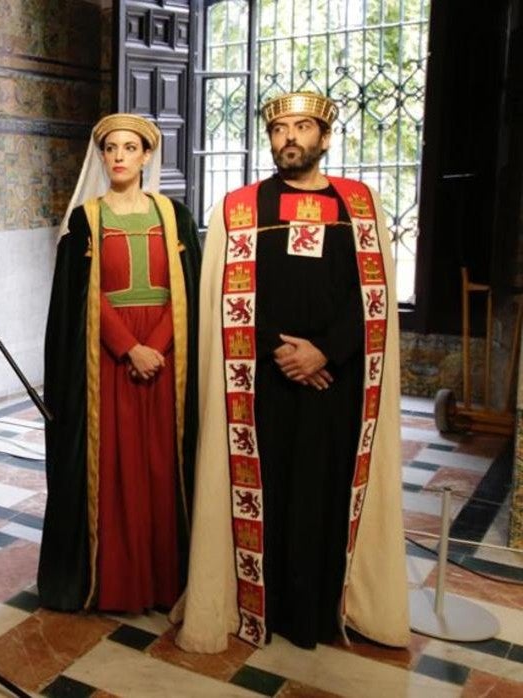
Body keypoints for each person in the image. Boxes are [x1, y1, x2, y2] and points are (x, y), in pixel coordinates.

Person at [174, 92, 407, 652]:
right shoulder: (239, 207)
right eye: (279, 129)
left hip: (338, 382)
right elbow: (227, 295)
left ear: (325, 137)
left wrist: (325, 352)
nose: (289, 138)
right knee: (270, 494)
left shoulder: (360, 203)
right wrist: (287, 355)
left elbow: (372, 297)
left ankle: (321, 612)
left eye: (303, 127)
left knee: (323, 493)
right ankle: (265, 607)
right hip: (259, 383)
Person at [38, 114, 202, 614]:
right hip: (106, 362)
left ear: (147, 155)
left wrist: (155, 343)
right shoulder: (86, 219)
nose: (120, 157)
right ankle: (115, 582)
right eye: (111, 148)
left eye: (130, 148)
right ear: (101, 156)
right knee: (113, 467)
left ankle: (164, 580)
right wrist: (129, 347)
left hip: (167, 358)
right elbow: (79, 298)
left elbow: (189, 291)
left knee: (160, 466)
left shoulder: (174, 215)